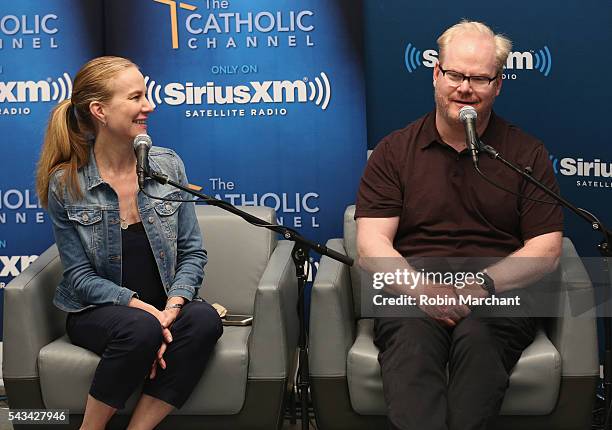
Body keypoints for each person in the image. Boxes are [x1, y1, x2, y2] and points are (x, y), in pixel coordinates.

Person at [355, 21, 563, 430]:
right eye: (455, 75)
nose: (465, 87)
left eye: (479, 78)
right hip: (412, 289)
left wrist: (480, 287)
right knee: (412, 345)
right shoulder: (394, 152)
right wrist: (422, 290)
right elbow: (371, 245)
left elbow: (546, 249)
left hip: (498, 292)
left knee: (479, 339)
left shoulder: (524, 152)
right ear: (436, 74)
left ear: (498, 84)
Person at [36, 56, 223, 430]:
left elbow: (192, 252)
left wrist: (172, 305)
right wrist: (142, 309)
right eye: (136, 97)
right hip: (98, 311)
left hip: (162, 307)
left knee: (203, 319)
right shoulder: (66, 183)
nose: (148, 106)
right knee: (140, 328)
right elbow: (78, 277)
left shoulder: (167, 166)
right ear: (100, 110)